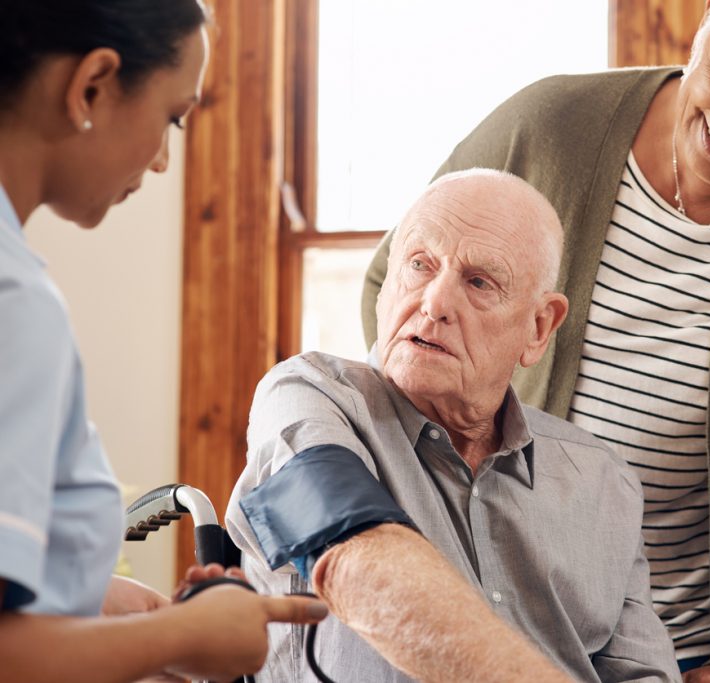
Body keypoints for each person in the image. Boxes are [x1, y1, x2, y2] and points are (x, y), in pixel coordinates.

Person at [362, 1, 710, 681]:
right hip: (493, 617)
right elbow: (395, 279)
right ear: (706, 19)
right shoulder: (550, 124)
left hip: (691, 646)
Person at [226, 169, 679, 682]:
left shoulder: (603, 482)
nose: (435, 303)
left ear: (538, 328)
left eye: (479, 282)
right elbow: (350, 558)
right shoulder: (309, 396)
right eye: (419, 265)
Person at [0, 2, 326, 681]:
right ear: (91, 86)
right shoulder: (16, 305)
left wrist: (95, 603)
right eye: (173, 117)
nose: (162, 160)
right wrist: (180, 637)